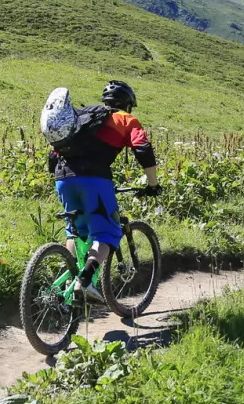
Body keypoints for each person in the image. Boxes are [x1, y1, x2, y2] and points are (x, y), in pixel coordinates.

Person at [47, 80, 161, 305]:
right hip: (94, 180)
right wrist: (153, 184)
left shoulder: (83, 116)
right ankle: (85, 282)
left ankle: (65, 284)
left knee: (75, 231)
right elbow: (143, 149)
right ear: (128, 104)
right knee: (107, 233)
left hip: (62, 178)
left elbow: (54, 153)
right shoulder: (126, 120)